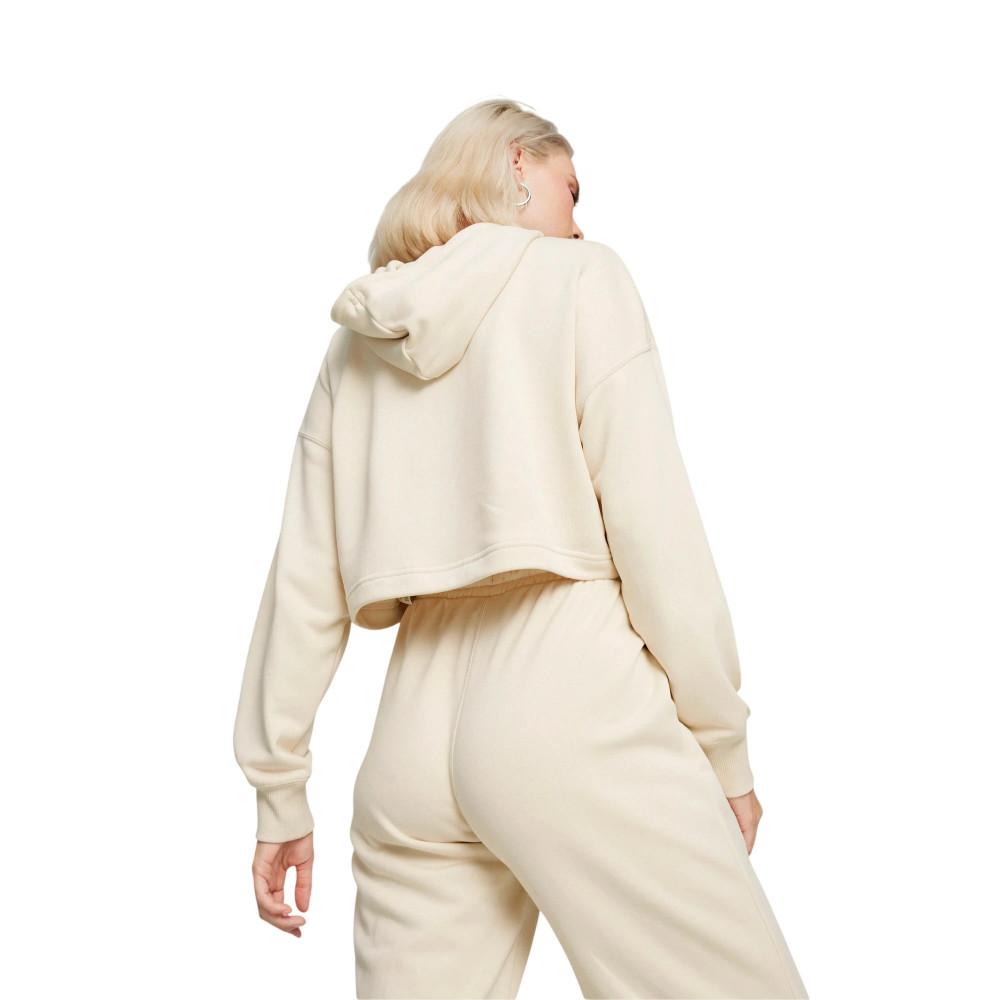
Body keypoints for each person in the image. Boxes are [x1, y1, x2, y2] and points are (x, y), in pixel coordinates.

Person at [233, 97, 809, 1000]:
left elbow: (302, 581)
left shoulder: (360, 342)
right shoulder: (582, 280)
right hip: (570, 688)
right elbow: (657, 533)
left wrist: (280, 792)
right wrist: (721, 745)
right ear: (515, 166)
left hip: (410, 734)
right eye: (571, 189)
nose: (579, 221)